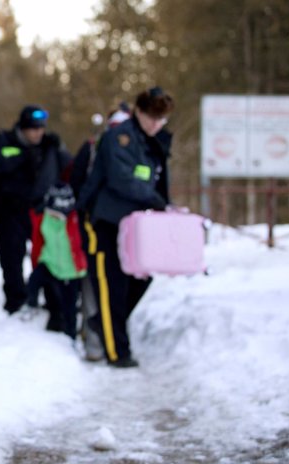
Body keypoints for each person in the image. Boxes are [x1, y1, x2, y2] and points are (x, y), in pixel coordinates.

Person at [77, 86, 174, 368]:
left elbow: (157, 181)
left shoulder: (152, 141)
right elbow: (122, 179)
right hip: (107, 220)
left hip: (138, 225)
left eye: (161, 120)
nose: (156, 125)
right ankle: (117, 351)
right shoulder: (119, 138)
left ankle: (100, 324)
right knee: (112, 286)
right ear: (138, 112)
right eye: (151, 118)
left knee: (141, 278)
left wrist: (163, 205)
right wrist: (154, 199)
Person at [0, 105, 73, 315]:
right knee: (12, 259)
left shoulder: (49, 145)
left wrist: (59, 149)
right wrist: (22, 157)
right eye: (33, 129)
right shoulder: (5, 141)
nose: (38, 133)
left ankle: (53, 304)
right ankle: (16, 303)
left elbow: (69, 169)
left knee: (48, 257)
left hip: (39, 211)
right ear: (23, 128)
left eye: (41, 128)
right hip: (9, 210)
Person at [70, 103, 131, 361]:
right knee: (97, 283)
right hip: (96, 225)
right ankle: (98, 343)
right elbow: (79, 183)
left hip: (116, 226)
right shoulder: (96, 147)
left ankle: (105, 340)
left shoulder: (99, 146)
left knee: (109, 285)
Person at [25, 181, 87, 341]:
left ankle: (70, 337)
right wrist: (36, 261)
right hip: (49, 263)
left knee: (69, 308)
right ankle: (30, 306)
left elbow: (82, 244)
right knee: (33, 282)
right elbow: (38, 241)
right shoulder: (42, 217)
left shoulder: (76, 219)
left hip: (70, 270)